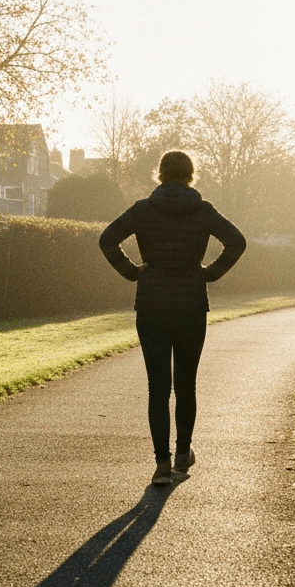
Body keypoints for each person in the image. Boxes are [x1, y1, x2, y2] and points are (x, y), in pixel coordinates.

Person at [99, 151, 246, 485]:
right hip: (191, 303)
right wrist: (209, 273)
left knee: (158, 387)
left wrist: (132, 272)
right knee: (186, 383)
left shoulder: (142, 210)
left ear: (160, 174)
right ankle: (183, 454)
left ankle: (161, 465)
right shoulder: (204, 211)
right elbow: (237, 241)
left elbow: (106, 239)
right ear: (191, 175)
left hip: (151, 302)